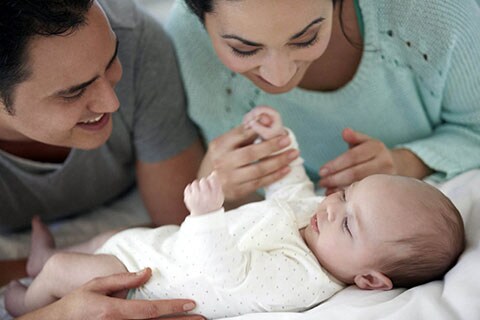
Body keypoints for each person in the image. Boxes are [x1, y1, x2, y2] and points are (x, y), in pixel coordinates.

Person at [6, 106, 465, 319]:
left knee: (71, 268)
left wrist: (207, 216)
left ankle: (24, 299)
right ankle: (41, 260)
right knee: (101, 238)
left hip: (143, 281)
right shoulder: (319, 222)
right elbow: (291, 191)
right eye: (347, 194)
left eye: (348, 221)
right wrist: (277, 141)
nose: (332, 205)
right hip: (155, 245)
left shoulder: (302, 276)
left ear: (368, 280)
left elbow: (224, 274)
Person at [0, 0, 203, 318]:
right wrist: (61, 313)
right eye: (73, 92)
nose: (111, 102)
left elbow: (180, 228)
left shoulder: (135, 39)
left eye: (111, 61)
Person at [164, 0, 480, 202]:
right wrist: (217, 186)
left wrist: (407, 162)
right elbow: (235, 211)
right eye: (244, 50)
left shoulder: (434, 9)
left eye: (306, 39)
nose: (279, 76)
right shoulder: (187, 39)